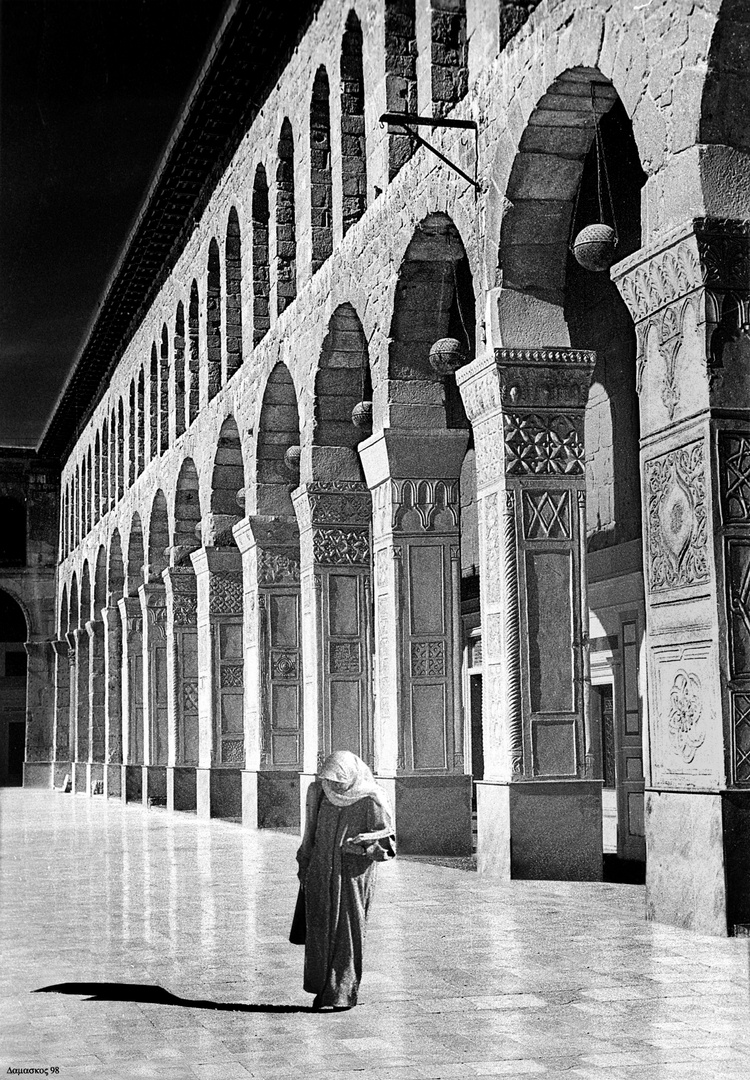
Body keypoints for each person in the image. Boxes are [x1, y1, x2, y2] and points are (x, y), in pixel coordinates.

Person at [296, 750, 396, 1011]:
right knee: (320, 931)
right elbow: (310, 833)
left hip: (352, 877)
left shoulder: (370, 799)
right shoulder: (320, 792)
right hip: (320, 873)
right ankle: (322, 990)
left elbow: (386, 845)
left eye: (339, 781)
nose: (334, 786)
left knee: (347, 932)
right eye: (330, 780)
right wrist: (304, 863)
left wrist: (362, 847)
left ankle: (343, 992)